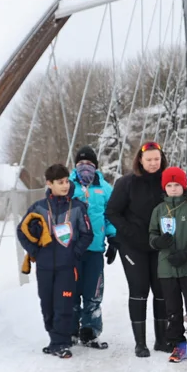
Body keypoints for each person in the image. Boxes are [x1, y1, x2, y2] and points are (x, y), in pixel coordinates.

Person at [16, 163, 95, 359]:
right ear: (49, 183)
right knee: (47, 305)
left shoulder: (77, 207)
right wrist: (36, 252)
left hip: (67, 268)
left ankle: (61, 342)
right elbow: (21, 230)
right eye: (60, 182)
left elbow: (87, 234)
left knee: (63, 305)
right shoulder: (39, 207)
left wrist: (74, 254)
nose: (65, 185)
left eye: (67, 181)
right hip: (44, 268)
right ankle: (54, 340)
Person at [105, 141, 170, 357]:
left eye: (156, 159)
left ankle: (162, 340)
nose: (153, 163)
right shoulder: (126, 183)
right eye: (149, 159)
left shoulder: (167, 182)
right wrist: (128, 232)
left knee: (161, 291)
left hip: (160, 246)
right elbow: (112, 211)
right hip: (133, 247)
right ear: (140, 161)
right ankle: (140, 342)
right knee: (139, 290)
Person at [148, 166, 187, 363]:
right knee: (172, 310)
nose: (173, 189)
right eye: (169, 185)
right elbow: (152, 234)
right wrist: (157, 242)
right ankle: (177, 345)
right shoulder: (159, 210)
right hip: (167, 268)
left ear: (184, 185)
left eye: (177, 185)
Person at [69, 145, 116, 349]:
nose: (84, 167)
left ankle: (89, 331)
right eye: (80, 163)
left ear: (96, 166)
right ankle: (69, 329)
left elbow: (111, 214)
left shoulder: (105, 188)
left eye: (89, 163)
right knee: (70, 290)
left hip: (95, 249)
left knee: (93, 291)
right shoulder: (67, 186)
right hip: (71, 249)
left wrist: (113, 237)